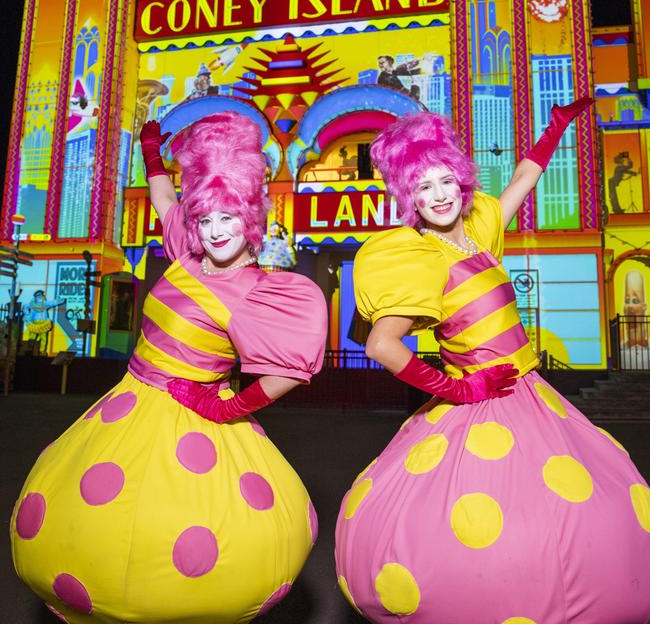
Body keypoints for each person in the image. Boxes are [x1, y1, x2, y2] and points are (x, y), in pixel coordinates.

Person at [335, 99, 650, 624]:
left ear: (460, 182)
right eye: (422, 187)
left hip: (531, 391)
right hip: (480, 401)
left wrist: (554, 130)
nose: (436, 196)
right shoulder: (420, 260)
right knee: (489, 521)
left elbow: (524, 178)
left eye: (443, 182)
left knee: (568, 511)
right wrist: (458, 390)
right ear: (409, 197)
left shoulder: (479, 234)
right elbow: (381, 345)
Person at [12, 112, 327, 624]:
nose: (216, 230)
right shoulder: (187, 253)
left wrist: (229, 406)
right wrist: (151, 152)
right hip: (128, 401)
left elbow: (291, 371)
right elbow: (163, 199)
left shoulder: (258, 291)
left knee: (178, 542)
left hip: (191, 414)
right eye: (206, 218)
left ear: (248, 219)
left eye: (227, 217)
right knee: (91, 530)